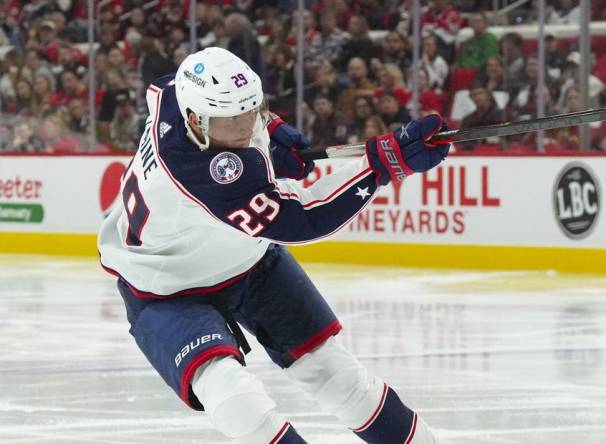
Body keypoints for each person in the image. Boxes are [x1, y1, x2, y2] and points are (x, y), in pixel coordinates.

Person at [97, 47, 447, 443]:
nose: (248, 127)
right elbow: (306, 217)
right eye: (236, 120)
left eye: (253, 110)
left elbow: (175, 91)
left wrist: (273, 130)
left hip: (248, 262)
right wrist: (383, 164)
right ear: (197, 120)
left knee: (334, 374)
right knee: (230, 392)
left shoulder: (177, 93)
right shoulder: (202, 172)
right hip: (165, 288)